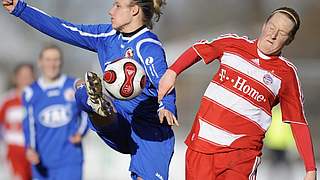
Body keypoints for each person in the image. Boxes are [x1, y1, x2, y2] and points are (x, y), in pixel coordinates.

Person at [2, 0, 177, 179]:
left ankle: (95, 103)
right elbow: (63, 28)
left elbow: (164, 81)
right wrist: (20, 9)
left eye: (117, 6)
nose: (110, 11)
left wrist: (167, 105)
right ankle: (95, 103)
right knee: (81, 92)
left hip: (149, 128)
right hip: (120, 121)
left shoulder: (148, 46)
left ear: (134, 10)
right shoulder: (106, 35)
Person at [157, 7, 317, 180]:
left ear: (289, 40)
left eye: (282, 33)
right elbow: (198, 49)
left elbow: (298, 122)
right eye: (272, 27)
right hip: (202, 146)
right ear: (264, 25)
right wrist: (172, 72)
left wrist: (310, 169)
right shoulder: (233, 44)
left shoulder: (286, 75)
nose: (273, 35)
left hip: (241, 157)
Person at [22, 45, 88, 180]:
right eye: (48, 59)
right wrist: (30, 148)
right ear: (40, 62)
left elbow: (87, 111)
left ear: (61, 62)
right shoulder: (30, 92)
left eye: (56, 60)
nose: (52, 64)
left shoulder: (73, 85)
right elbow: (28, 124)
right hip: (42, 162)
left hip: (69, 159)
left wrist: (80, 133)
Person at [0, 63, 34, 180]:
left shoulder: (39, 98)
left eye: (28, 75)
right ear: (15, 78)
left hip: (36, 152)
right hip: (15, 153)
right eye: (22, 75)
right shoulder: (7, 100)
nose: (25, 79)